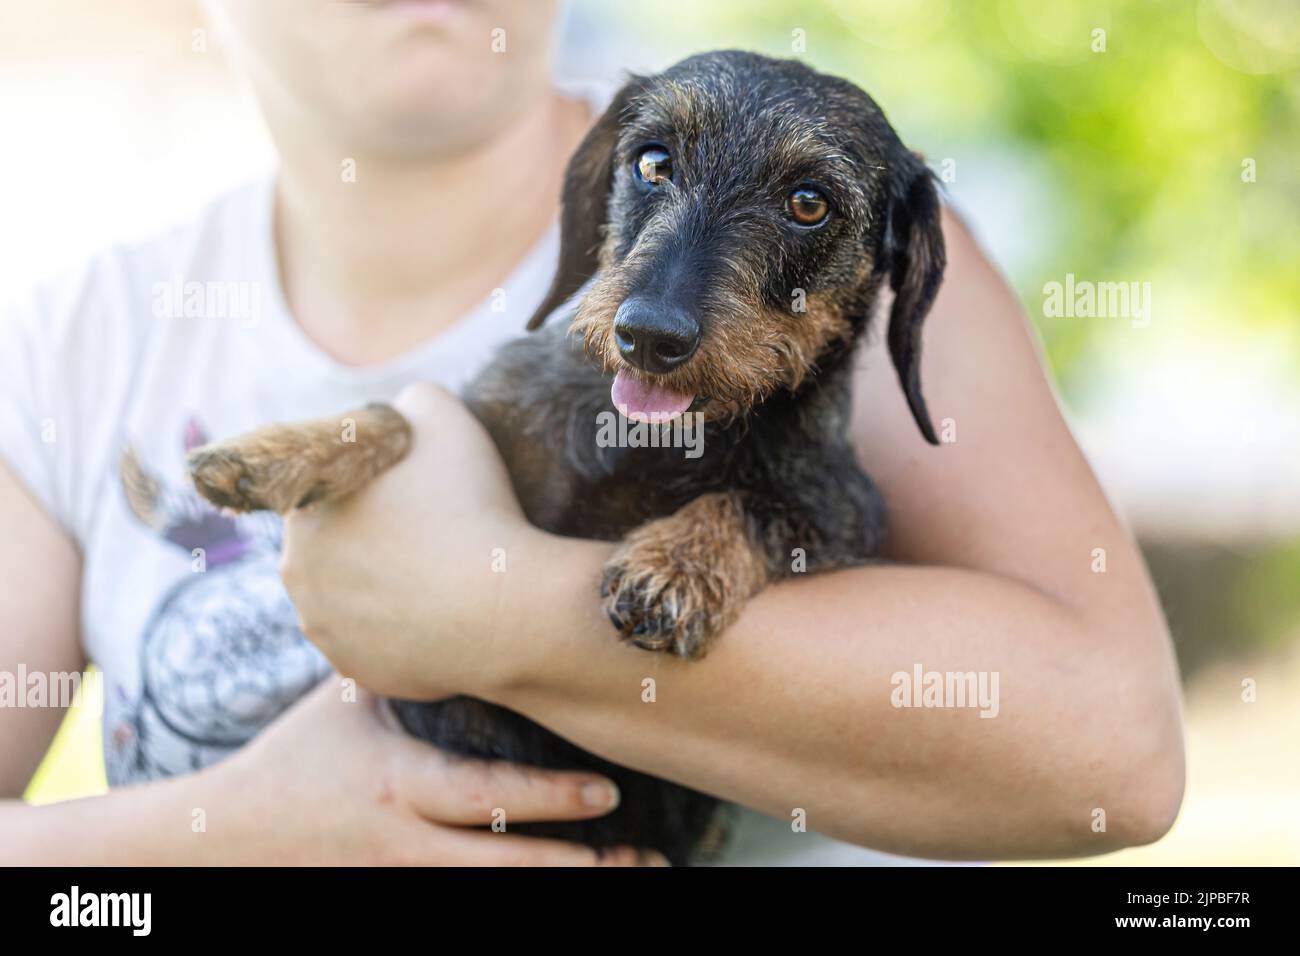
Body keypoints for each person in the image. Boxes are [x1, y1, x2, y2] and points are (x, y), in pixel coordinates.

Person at [0, 0, 1183, 865]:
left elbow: (1116, 760)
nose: (668, 306)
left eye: (807, 205)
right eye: (657, 168)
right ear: (608, 193)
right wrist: (231, 839)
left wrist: (496, 609)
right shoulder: (72, 344)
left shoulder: (896, 302)